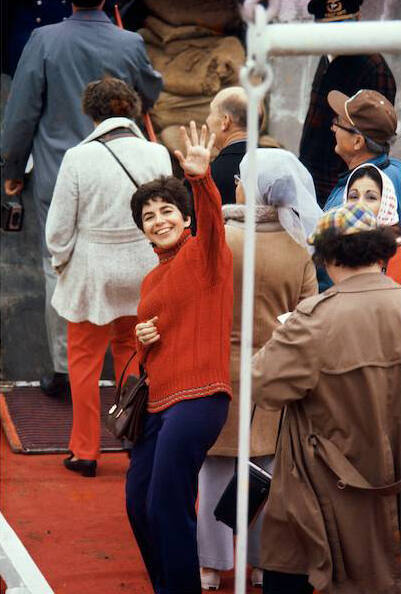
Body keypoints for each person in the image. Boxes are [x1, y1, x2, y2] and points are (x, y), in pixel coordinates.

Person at [1, 0, 163, 398]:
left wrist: (12, 169)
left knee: (58, 262)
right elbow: (151, 92)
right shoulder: (129, 43)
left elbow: (21, 113)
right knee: (125, 254)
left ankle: (63, 368)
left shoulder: (43, 40)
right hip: (119, 169)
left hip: (58, 171)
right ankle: (127, 364)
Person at [252, 202, 401, 594]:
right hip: (390, 478)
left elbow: (264, 386)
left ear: (327, 255)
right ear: (380, 251)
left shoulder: (314, 319)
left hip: (323, 485)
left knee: (290, 569)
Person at [197, 148, 320, 591]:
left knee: (213, 468)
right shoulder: (298, 246)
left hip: (220, 367)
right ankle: (261, 563)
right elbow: (307, 315)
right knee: (266, 470)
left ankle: (211, 565)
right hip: (274, 370)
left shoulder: (222, 241)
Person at [126, 122, 233, 594]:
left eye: (166, 210)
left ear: (185, 218)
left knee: (168, 501)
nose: (158, 219)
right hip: (155, 403)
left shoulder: (205, 253)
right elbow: (150, 346)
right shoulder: (151, 279)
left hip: (199, 397)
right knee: (138, 503)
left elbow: (212, 218)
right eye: (148, 216)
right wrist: (142, 336)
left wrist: (200, 178)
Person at [45, 78, 172, 477]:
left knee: (82, 362)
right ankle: (133, 441)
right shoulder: (157, 154)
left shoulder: (78, 158)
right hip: (143, 268)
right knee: (133, 354)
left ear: (92, 113)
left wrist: (61, 263)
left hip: (92, 272)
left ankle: (85, 451)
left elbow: (60, 228)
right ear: (132, 110)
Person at [299, 0, 396, 208]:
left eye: (343, 27)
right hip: (312, 181)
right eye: (329, 30)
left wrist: (353, 190)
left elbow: (375, 138)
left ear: (358, 18)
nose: (336, 37)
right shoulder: (327, 55)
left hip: (344, 189)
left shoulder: (374, 68)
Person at [324, 89, 401, 216]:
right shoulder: (396, 169)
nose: (333, 128)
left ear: (358, 142)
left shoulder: (345, 205)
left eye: (338, 122)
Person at [343, 163, 401, 284]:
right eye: (353, 196)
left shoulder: (397, 251)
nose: (360, 204)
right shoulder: (338, 245)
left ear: (385, 203)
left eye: (371, 197)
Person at [205, 87, 249, 205]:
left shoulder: (208, 178)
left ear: (225, 121)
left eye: (211, 113)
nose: (207, 120)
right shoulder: (280, 165)